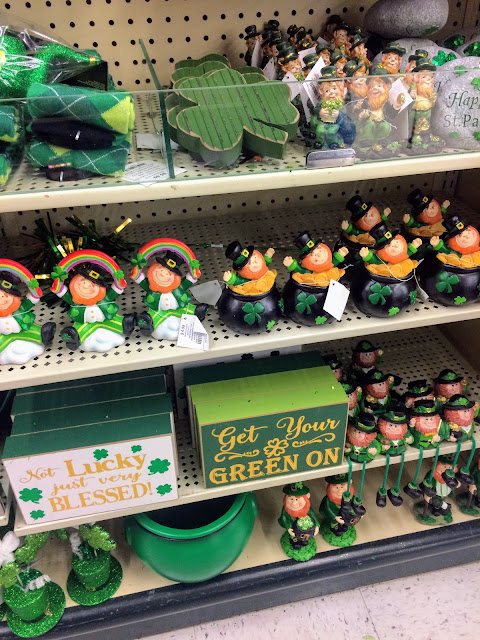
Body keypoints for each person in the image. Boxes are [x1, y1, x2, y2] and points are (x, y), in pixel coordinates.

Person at [57, 263, 134, 351]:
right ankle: (73, 339)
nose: (87, 286)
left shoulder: (104, 298)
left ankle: (125, 325)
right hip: (86, 324)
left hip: (106, 321)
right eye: (84, 282)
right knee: (79, 332)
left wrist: (119, 283)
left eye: (92, 285)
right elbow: (63, 293)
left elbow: (115, 291)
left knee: (117, 323)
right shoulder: (76, 300)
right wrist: (58, 284)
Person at [133, 252, 206, 341]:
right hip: (159, 312)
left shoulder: (178, 287)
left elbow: (189, 280)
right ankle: (147, 324)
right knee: (153, 320)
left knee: (188, 311)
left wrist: (194, 273)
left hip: (179, 309)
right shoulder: (152, 287)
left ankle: (197, 313)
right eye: (161, 270)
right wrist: (137, 272)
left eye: (168, 273)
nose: (163, 274)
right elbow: (141, 280)